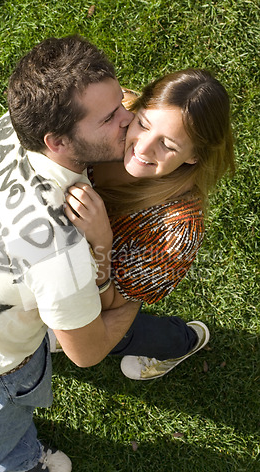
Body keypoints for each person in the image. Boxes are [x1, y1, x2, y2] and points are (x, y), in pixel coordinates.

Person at [0, 35, 141, 472]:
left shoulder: (13, 126)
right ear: (58, 141)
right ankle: (4, 455)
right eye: (110, 118)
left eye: (120, 101)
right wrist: (136, 296)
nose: (130, 118)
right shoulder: (57, 250)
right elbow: (88, 352)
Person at [61, 69, 235, 380]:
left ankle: (184, 341)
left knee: (121, 334)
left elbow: (115, 302)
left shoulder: (177, 230)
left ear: (194, 156)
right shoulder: (115, 114)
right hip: (62, 270)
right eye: (143, 124)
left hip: (107, 294)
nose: (142, 148)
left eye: (167, 145)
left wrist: (101, 242)